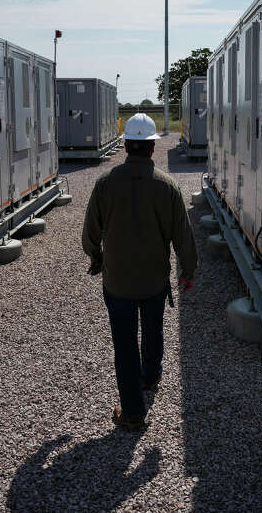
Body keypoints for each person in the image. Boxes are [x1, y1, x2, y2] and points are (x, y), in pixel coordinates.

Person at [82, 113, 198, 430]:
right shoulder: (168, 186)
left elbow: (90, 232)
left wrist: (96, 257)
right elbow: (183, 236)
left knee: (124, 343)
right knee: (153, 329)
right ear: (150, 148)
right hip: (154, 279)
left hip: (118, 282)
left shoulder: (105, 184)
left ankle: (133, 411)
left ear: (125, 146)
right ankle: (151, 374)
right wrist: (187, 270)